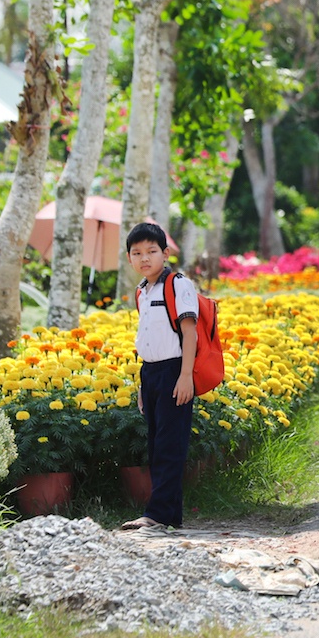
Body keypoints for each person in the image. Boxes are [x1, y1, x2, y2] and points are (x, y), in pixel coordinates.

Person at [120, 223, 198, 532]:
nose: (144, 258)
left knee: (169, 444)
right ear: (129, 258)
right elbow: (149, 337)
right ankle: (169, 515)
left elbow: (189, 334)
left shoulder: (178, 285)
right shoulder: (142, 291)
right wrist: (143, 385)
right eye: (136, 253)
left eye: (151, 251)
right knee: (156, 444)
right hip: (151, 373)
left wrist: (186, 376)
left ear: (165, 254)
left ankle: (157, 514)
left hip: (174, 370)